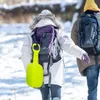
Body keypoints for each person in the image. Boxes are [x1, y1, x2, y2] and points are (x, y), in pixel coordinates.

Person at [21, 9, 90, 100]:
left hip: (40, 72)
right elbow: (69, 46)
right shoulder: (57, 32)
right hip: (56, 72)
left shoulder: (31, 35)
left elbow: (25, 55)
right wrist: (82, 53)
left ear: (37, 20)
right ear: (53, 19)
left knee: (45, 97)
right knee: (56, 97)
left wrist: (30, 71)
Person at [71, 0, 100, 100]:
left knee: (92, 90)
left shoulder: (78, 22)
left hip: (88, 61)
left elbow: (73, 42)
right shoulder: (99, 20)